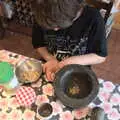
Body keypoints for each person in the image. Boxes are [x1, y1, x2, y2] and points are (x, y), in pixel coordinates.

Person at [31, 0, 107, 81]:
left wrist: (68, 62)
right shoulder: (42, 12)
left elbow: (100, 56)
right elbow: (38, 43)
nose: (54, 29)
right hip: (49, 62)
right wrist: (50, 59)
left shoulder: (94, 18)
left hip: (78, 68)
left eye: (58, 25)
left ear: (78, 10)